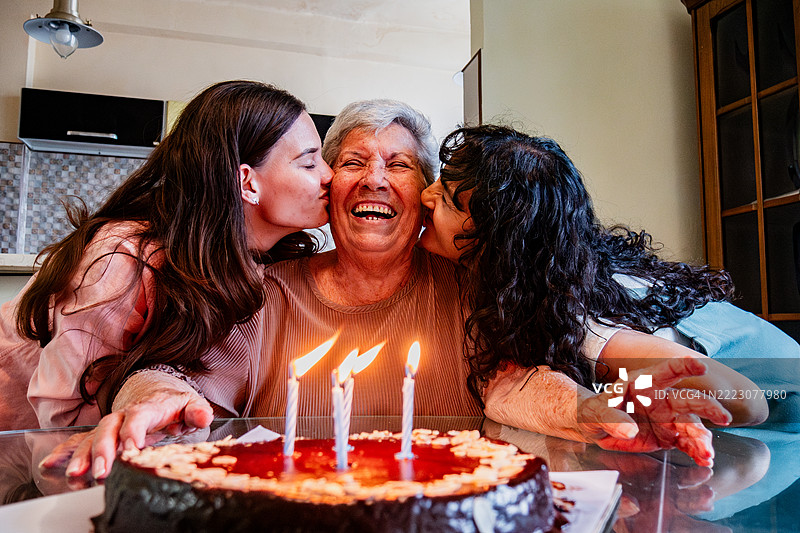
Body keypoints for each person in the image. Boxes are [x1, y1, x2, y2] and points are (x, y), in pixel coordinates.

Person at [46, 101, 737, 480]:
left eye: (400, 164)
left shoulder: (478, 287)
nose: (375, 177)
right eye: (350, 160)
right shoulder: (267, 292)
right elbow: (173, 375)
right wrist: (151, 395)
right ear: (326, 191)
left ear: (428, 195)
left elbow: (531, 383)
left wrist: (624, 400)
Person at [418, 124, 800, 437]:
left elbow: (748, 400)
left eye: (449, 198)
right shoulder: (564, 270)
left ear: (498, 242)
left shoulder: (578, 322)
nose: (425, 194)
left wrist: (624, 399)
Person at [0, 80, 334, 434]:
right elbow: (62, 416)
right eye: (309, 163)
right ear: (247, 183)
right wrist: (151, 398)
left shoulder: (259, 263)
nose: (330, 174)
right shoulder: (122, 257)